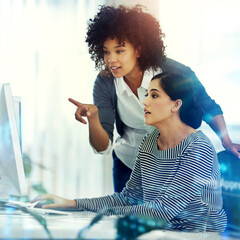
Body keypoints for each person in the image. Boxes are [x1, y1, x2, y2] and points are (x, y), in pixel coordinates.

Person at [69, 4, 240, 192]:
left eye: (119, 51)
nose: (111, 60)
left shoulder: (177, 72)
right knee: (129, 219)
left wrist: (226, 141)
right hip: (129, 166)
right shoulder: (105, 82)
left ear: (139, 50)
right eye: (106, 51)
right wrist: (93, 119)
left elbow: (208, 107)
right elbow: (103, 146)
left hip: (174, 164)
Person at [32, 73, 227, 232]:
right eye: (146, 94)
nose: (145, 102)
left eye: (154, 95)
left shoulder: (197, 147)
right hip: (160, 233)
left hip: (198, 235)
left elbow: (162, 210)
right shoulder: (149, 142)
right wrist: (72, 204)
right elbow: (127, 198)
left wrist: (104, 213)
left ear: (176, 104)